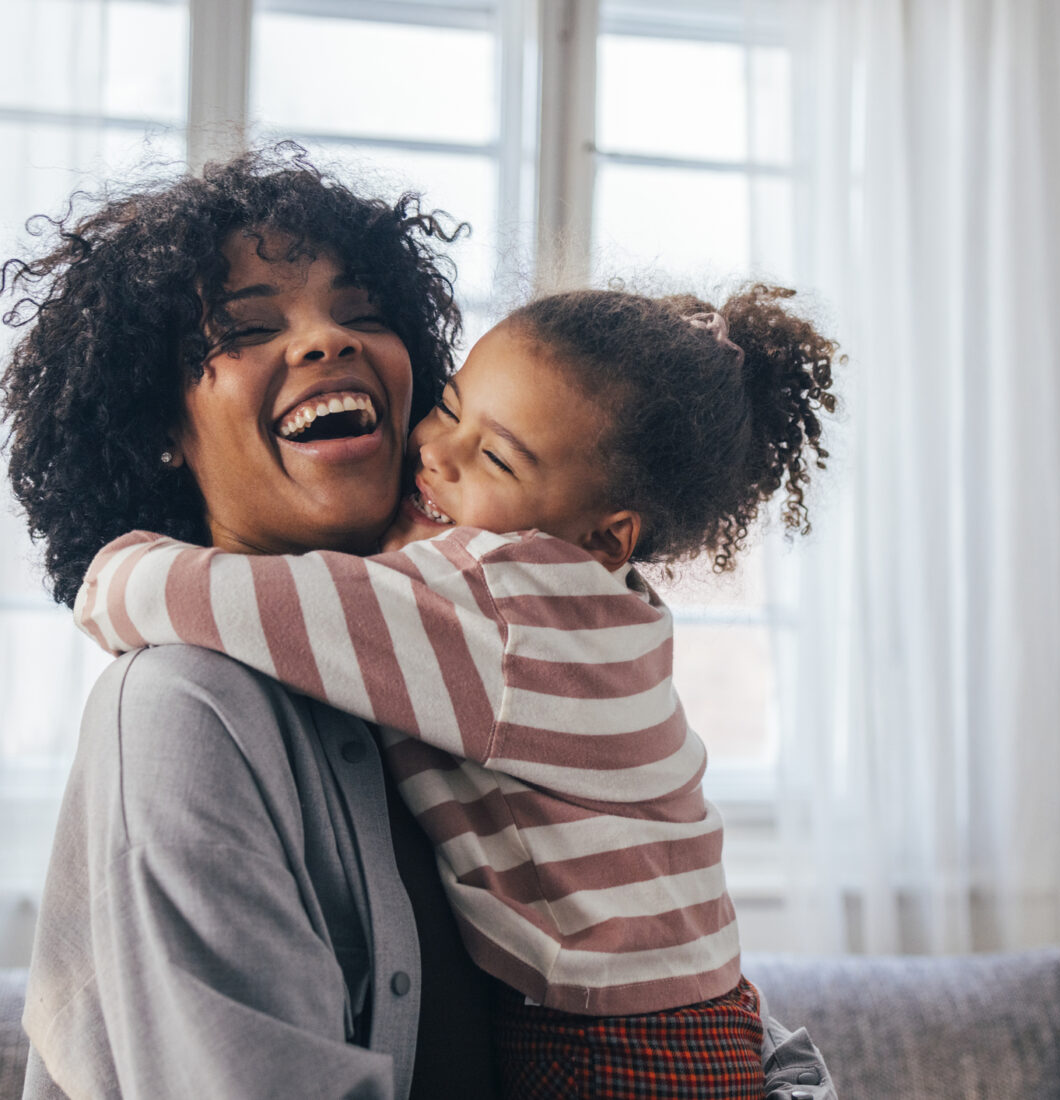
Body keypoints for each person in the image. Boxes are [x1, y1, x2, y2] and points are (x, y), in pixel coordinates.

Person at [76, 283, 841, 1098]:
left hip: (610, 1055)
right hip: (692, 1027)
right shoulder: (591, 610)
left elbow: (223, 600)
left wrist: (111, 571)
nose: (436, 453)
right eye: (448, 408)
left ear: (603, 537)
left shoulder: (505, 603)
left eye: (497, 459)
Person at [1, 146, 503, 1099]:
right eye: (244, 328)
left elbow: (685, 982)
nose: (329, 342)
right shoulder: (181, 708)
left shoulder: (474, 656)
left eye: (362, 313)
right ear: (157, 426)